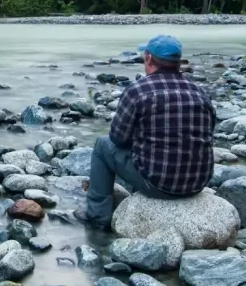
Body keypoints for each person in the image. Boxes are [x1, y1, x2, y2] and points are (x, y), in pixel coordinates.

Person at [74, 35, 216, 231]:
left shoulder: (138, 90)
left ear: (148, 58)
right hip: (197, 183)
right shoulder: (199, 92)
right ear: (178, 61)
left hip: (159, 185)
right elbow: (208, 133)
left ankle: (97, 217)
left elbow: (117, 138)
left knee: (102, 145)